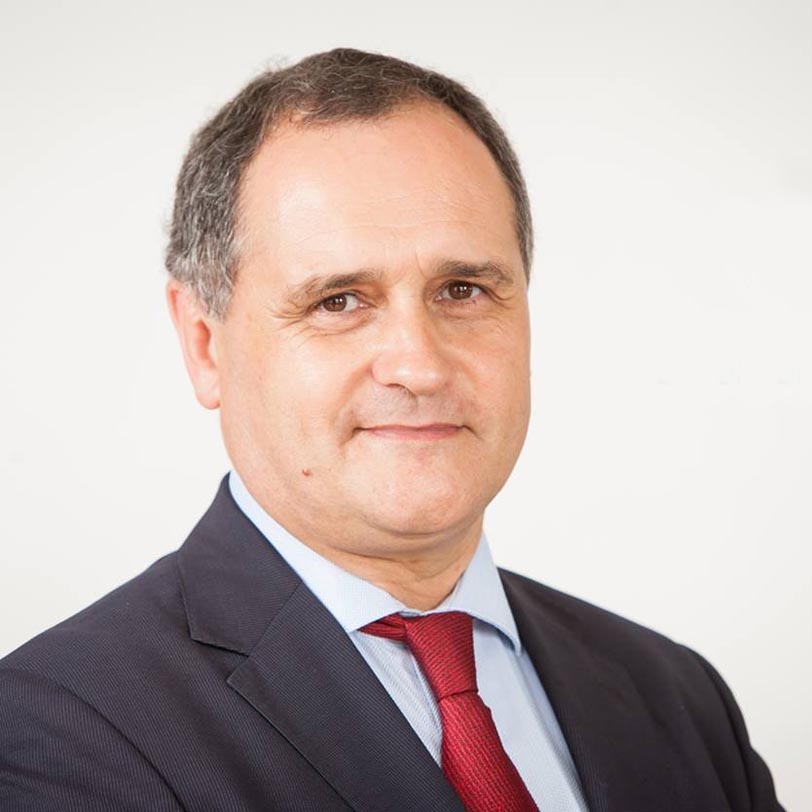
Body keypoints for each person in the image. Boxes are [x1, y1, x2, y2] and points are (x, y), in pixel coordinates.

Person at [0, 48, 784, 812]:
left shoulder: (677, 698)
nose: (420, 366)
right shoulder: (61, 734)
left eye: (463, 289)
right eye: (338, 300)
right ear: (205, 344)